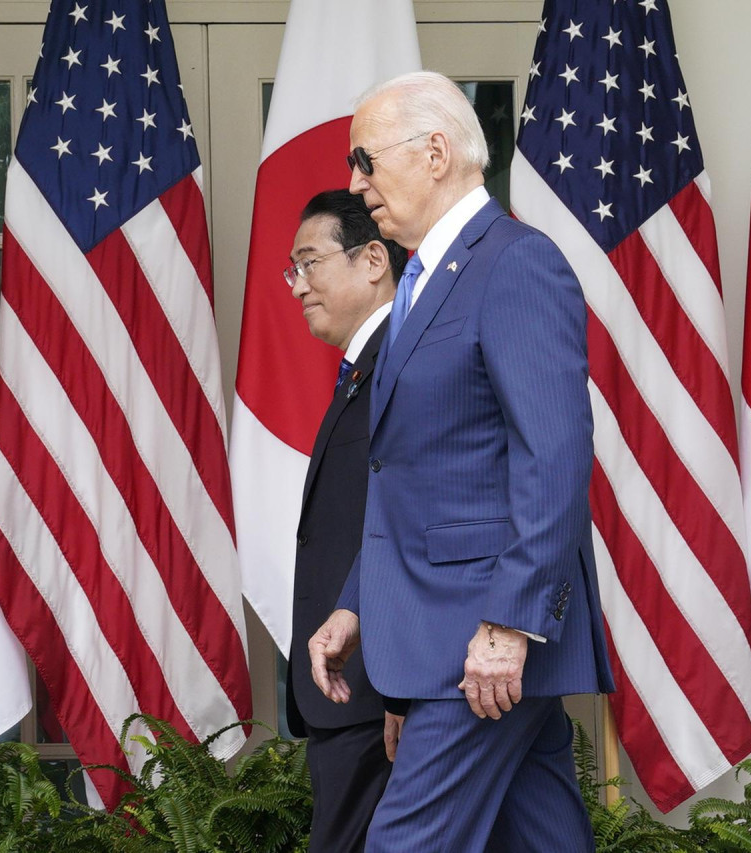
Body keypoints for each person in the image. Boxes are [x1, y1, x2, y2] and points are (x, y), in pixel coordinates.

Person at [308, 71, 616, 852]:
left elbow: (554, 455)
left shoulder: (514, 263)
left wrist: (511, 622)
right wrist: (357, 604)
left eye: (366, 160)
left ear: (435, 151)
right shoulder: (419, 279)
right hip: (443, 628)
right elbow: (408, 473)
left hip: (476, 639)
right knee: (542, 837)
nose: (355, 183)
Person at [283, 189, 408, 853]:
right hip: (349, 695)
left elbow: (412, 524)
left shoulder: (407, 361)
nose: (298, 284)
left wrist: (402, 686)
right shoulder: (366, 365)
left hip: (378, 691)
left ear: (372, 260)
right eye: (293, 269)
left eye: (310, 262)